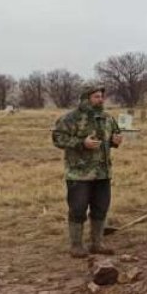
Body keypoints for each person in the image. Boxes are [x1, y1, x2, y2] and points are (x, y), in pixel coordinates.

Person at [52, 86, 122, 258]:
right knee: (78, 209)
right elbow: (58, 138)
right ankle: (76, 246)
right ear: (86, 98)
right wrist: (82, 143)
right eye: (96, 96)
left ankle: (97, 244)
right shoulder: (70, 118)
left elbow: (114, 136)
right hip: (79, 174)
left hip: (102, 173)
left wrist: (116, 141)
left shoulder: (107, 118)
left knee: (101, 208)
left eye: (102, 96)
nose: (101, 99)